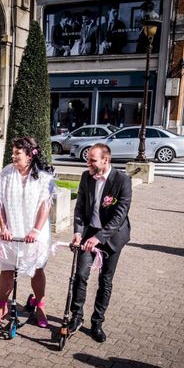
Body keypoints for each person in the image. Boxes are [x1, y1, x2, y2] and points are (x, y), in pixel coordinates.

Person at [0, 137, 55, 328]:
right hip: (12, 231)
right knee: (7, 268)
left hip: (36, 231)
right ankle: (1, 306)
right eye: (13, 152)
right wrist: (4, 227)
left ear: (30, 155)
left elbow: (45, 205)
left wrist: (35, 230)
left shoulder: (44, 177)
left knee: (37, 269)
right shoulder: (6, 174)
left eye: (17, 152)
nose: (13, 155)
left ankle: (40, 305)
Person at [69, 143, 132, 343]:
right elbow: (79, 208)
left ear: (106, 160)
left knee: (105, 281)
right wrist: (78, 233)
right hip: (89, 234)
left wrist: (99, 238)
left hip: (112, 238)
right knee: (80, 275)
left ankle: (97, 322)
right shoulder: (86, 177)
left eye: (92, 160)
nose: (88, 163)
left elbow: (119, 216)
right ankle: (76, 316)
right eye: (88, 159)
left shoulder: (122, 180)